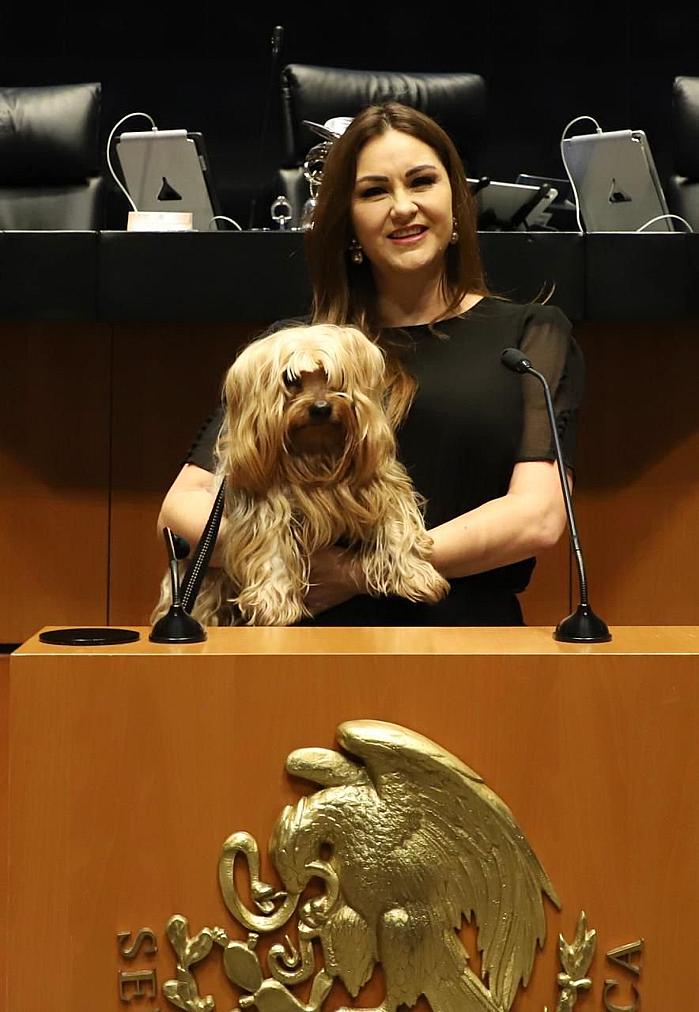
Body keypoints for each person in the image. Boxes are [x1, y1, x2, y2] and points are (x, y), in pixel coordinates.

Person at [159, 103, 584, 626]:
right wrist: (277, 562)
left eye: (422, 181)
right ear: (348, 220)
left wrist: (360, 572)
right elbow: (181, 509)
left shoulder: (530, 337)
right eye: (374, 191)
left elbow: (538, 518)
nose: (403, 207)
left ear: (456, 200)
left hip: (461, 633)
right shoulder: (291, 354)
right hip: (296, 632)